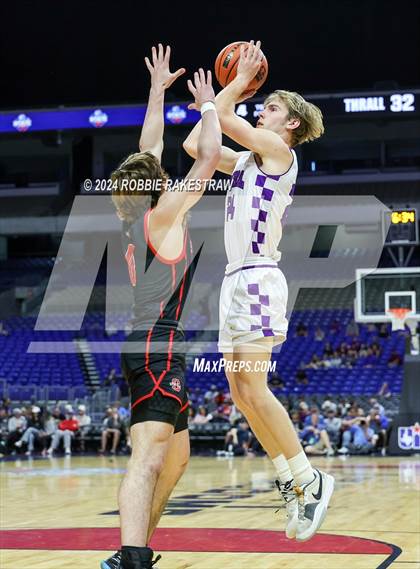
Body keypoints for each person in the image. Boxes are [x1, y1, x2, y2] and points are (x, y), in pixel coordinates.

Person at [184, 39, 333, 542]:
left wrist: (232, 89)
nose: (260, 109)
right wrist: (214, 105)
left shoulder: (278, 153)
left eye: (269, 107)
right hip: (235, 279)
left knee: (256, 388)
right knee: (242, 395)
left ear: (290, 123)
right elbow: (197, 147)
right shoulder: (248, 162)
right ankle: (293, 481)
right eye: (261, 104)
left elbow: (226, 120)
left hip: (258, 278)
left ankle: (311, 478)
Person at [102, 45, 221, 569]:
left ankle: (134, 549)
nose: (167, 176)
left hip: (153, 341)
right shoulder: (162, 216)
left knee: (176, 459)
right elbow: (209, 158)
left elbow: (148, 147)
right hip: (156, 343)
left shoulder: (138, 216)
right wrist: (209, 105)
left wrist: (156, 92)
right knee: (149, 458)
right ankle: (131, 557)